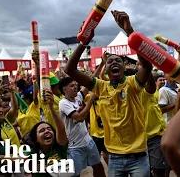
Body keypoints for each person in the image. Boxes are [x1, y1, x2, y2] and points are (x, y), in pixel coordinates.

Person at [65, 10, 152, 176]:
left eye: (117, 60)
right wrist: (84, 42)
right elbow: (70, 69)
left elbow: (147, 66)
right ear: (105, 69)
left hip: (138, 157)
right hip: (115, 158)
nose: (113, 62)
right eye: (109, 61)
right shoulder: (100, 86)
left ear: (124, 67)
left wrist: (129, 30)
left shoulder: (133, 83)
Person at [59, 77, 105, 177]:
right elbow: (79, 117)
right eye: (72, 86)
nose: (75, 87)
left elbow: (89, 81)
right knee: (75, 174)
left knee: (98, 166)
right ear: (65, 90)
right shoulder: (63, 103)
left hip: (88, 141)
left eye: (76, 85)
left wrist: (102, 64)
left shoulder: (78, 97)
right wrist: (91, 99)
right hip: (74, 147)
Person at [26, 90, 68, 177]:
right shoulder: (31, 153)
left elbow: (60, 128)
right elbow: (15, 158)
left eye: (49, 129)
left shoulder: (59, 148)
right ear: (35, 138)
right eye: (42, 131)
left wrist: (51, 107)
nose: (47, 131)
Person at [141, 72, 168, 177]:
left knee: (159, 168)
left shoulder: (156, 91)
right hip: (142, 138)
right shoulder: (137, 94)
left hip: (157, 134)